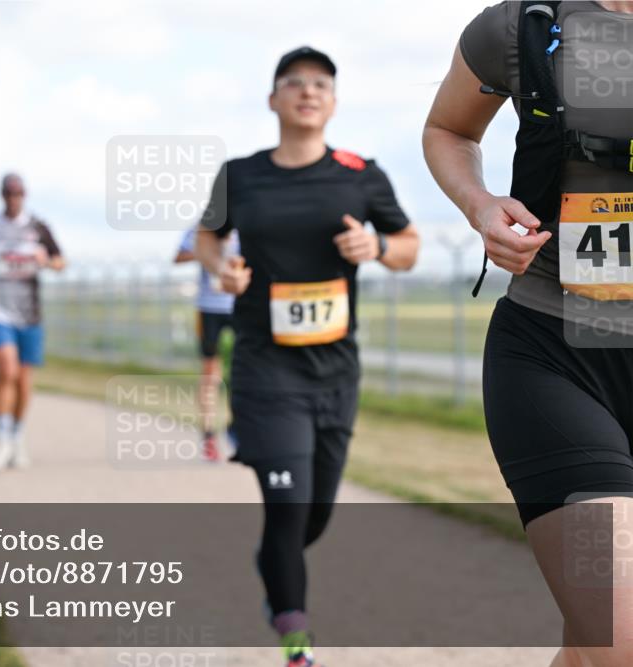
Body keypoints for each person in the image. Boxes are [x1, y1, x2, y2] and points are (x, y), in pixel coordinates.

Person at [195, 47, 419, 667]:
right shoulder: (239, 175)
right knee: (288, 505)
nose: (307, 91)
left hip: (336, 371)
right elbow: (206, 237)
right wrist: (222, 270)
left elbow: (409, 247)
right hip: (266, 369)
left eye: (321, 83)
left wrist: (374, 245)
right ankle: (297, 639)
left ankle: (274, 562)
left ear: (334, 102)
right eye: (293, 82)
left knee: (312, 513)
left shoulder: (361, 173)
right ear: (273, 100)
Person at [423, 3, 632, 665]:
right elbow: (447, 128)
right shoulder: (523, 24)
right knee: (619, 634)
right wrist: (481, 206)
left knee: (589, 646)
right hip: (556, 352)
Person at [0, 173, 65, 472]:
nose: (13, 198)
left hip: (29, 311)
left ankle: (17, 435)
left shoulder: (38, 227)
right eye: (8, 193)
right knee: (6, 366)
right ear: (1, 195)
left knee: (23, 377)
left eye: (18, 193)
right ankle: (1, 434)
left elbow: (61, 261)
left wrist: (45, 261)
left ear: (25, 195)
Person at [174, 225, 240, 461]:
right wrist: (205, 252)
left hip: (239, 306)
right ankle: (209, 435)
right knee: (210, 372)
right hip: (208, 308)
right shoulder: (199, 229)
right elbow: (178, 257)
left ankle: (237, 431)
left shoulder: (244, 221)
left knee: (243, 371)